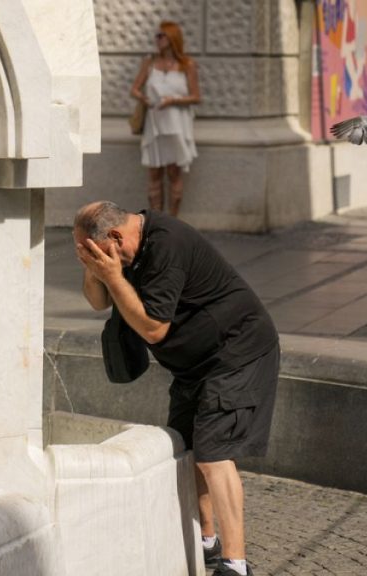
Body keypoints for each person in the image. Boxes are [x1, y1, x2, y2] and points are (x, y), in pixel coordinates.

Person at [73, 201, 279, 576]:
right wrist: (94, 268)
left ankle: (236, 565)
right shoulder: (123, 250)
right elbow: (97, 301)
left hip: (236, 352)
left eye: (95, 248)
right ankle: (207, 543)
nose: (94, 257)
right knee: (186, 447)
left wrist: (114, 277)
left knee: (213, 454)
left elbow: (154, 328)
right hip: (193, 365)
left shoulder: (167, 245)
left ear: (116, 237)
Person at [129, 21, 200, 217]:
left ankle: (174, 220)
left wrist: (173, 100)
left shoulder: (187, 65)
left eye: (162, 36)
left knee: (174, 172)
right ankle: (155, 220)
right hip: (155, 124)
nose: (157, 40)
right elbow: (134, 89)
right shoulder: (150, 63)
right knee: (154, 172)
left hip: (177, 125)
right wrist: (143, 97)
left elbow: (196, 97)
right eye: (157, 36)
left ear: (172, 38)